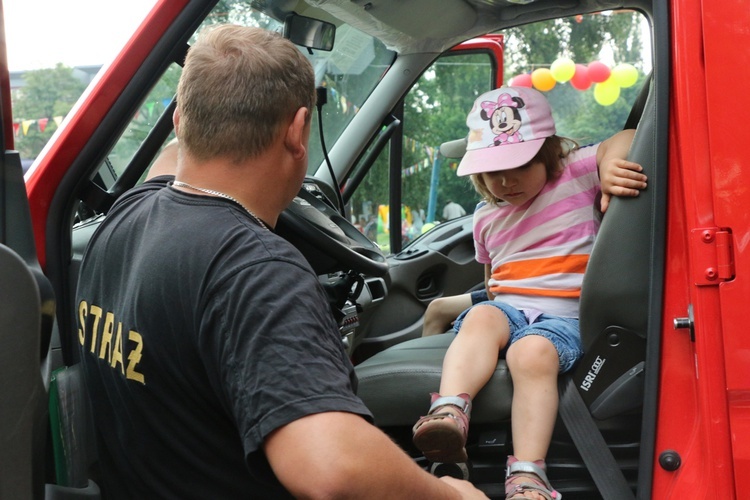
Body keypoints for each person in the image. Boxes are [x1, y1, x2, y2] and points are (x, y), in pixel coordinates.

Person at [76, 25, 486, 499]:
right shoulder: (257, 270)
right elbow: (332, 469)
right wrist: (453, 496)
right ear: (297, 131)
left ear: (179, 120)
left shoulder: (127, 213)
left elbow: (172, 163)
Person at [411, 86, 647, 500]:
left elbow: (625, 138)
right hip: (509, 307)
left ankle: (526, 474)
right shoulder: (486, 217)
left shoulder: (576, 172)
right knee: (483, 317)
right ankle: (449, 412)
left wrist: (611, 165)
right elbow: (492, 280)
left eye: (517, 166)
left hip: (565, 316)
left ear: (550, 152)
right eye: (489, 172)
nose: (503, 181)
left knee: (530, 354)